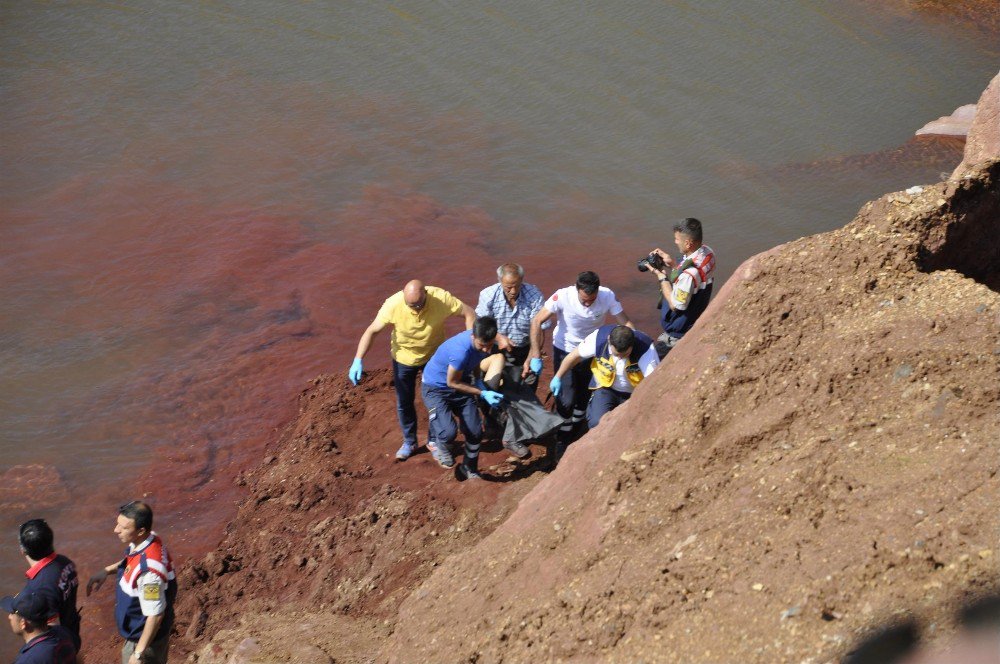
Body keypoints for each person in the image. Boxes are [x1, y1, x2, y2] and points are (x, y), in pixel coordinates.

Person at [349, 280, 476, 461]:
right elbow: (372, 331)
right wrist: (358, 359)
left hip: (434, 358)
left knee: (438, 396)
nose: (416, 309)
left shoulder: (441, 298)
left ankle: (433, 440)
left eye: (419, 304)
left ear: (426, 294)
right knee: (404, 401)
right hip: (404, 359)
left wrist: (469, 346)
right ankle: (410, 441)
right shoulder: (392, 305)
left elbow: (469, 313)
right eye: (411, 305)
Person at [530, 271, 633, 452]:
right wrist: (536, 355)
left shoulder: (607, 296)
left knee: (584, 396)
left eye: (591, 300)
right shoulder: (562, 296)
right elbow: (537, 320)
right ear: (577, 289)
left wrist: (637, 344)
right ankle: (563, 436)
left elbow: (625, 322)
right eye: (584, 300)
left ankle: (576, 429)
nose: (587, 304)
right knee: (566, 400)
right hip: (566, 350)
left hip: (592, 351)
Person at [86, 501, 176, 664]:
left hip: (145, 642)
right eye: (117, 524)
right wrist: (107, 570)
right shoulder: (149, 540)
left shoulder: (149, 575)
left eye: (124, 527)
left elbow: (155, 616)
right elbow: (133, 559)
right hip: (140, 635)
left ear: (141, 530)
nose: (116, 530)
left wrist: (139, 654)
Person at [420, 316, 506, 480]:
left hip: (461, 382)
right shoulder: (460, 351)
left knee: (475, 432)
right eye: (482, 346)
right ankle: (440, 443)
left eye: (489, 346)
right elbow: (452, 382)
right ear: (473, 337)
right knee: (448, 432)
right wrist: (482, 393)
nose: (487, 351)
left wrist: (479, 381)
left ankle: (469, 468)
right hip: (436, 388)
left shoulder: (483, 344)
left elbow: (474, 362)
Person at [550, 325, 659, 430]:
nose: (620, 358)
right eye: (616, 354)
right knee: (597, 423)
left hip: (633, 392)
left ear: (632, 345)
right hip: (606, 388)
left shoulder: (646, 349)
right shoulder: (598, 339)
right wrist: (558, 377)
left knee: (629, 425)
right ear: (609, 340)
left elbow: (653, 382)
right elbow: (573, 357)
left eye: (625, 354)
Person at [645, 217, 716, 355]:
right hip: (697, 315)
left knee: (655, 360)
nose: (675, 242)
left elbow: (675, 305)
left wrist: (662, 277)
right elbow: (694, 272)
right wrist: (672, 264)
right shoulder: (708, 253)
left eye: (677, 239)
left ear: (688, 243)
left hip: (679, 332)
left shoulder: (688, 276)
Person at [13, 519, 81, 652]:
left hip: (60, 647)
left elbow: (49, 628)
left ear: (23, 550)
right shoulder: (64, 562)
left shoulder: (40, 586)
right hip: (72, 630)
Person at [475, 263, 545, 386]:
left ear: (522, 281)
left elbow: (540, 329)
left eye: (517, 286)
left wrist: (533, 356)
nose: (513, 291)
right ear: (500, 281)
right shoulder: (488, 295)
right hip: (496, 349)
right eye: (508, 287)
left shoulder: (534, 296)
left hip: (526, 347)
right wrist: (499, 337)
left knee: (527, 385)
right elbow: (481, 327)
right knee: (494, 386)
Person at [2, 591, 77, 664]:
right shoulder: (62, 631)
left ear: (23, 623)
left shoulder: (29, 659)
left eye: (12, 613)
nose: (9, 617)